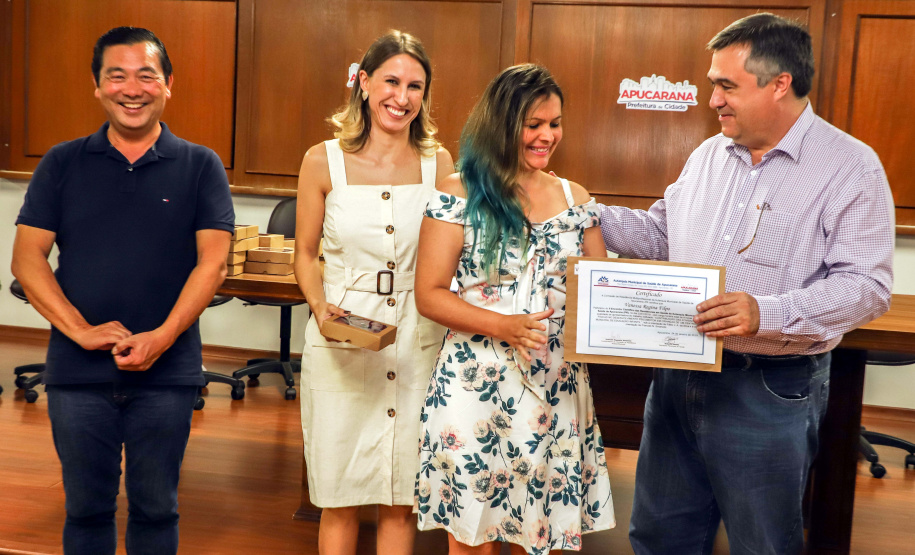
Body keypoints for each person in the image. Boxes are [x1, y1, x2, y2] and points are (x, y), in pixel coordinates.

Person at [598, 13, 894, 554]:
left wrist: (767, 312)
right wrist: (579, 212)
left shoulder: (852, 167)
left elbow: (867, 287)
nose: (712, 99)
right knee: (659, 537)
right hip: (677, 376)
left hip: (768, 389)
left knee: (763, 544)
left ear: (780, 83)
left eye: (725, 85)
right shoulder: (708, 154)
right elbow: (662, 234)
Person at [10, 27, 233, 555]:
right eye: (117, 76)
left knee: (157, 509)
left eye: (146, 75)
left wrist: (162, 336)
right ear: (97, 86)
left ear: (168, 84)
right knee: (86, 510)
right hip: (76, 375)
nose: (132, 89)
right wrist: (81, 331)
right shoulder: (61, 163)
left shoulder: (201, 165)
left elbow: (214, 264)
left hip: (168, 375)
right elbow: (26, 258)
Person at [414, 64, 615, 555]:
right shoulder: (459, 191)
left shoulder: (577, 198)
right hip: (474, 383)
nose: (548, 136)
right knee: (472, 533)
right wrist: (503, 325)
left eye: (555, 123)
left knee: (542, 529)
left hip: (556, 387)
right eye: (534, 125)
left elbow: (601, 292)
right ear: (503, 125)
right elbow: (430, 294)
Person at [293, 30, 453, 555]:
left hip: (416, 342)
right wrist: (320, 308)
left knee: (399, 498)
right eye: (390, 81)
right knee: (339, 499)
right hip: (341, 345)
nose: (401, 97)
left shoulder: (440, 165)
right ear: (363, 84)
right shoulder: (323, 160)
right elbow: (303, 253)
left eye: (415, 86)